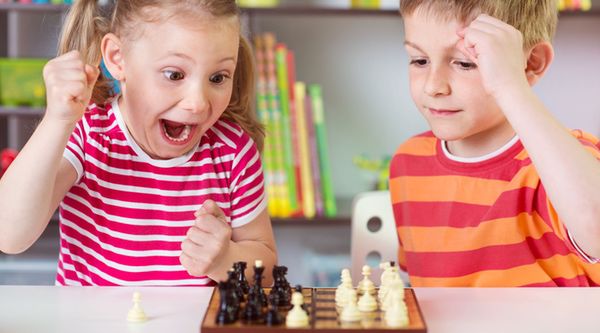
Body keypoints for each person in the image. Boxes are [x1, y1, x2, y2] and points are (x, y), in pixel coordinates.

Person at [0, 0, 277, 286]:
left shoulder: (233, 152)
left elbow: (266, 268)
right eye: (174, 75)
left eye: (218, 77)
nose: (198, 103)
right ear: (118, 58)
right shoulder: (88, 133)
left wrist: (226, 260)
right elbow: (8, 236)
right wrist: (57, 120)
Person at [390, 0, 600, 287]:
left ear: (531, 63)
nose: (432, 86)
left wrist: (510, 86)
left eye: (465, 63)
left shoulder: (566, 162)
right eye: (419, 60)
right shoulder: (408, 163)